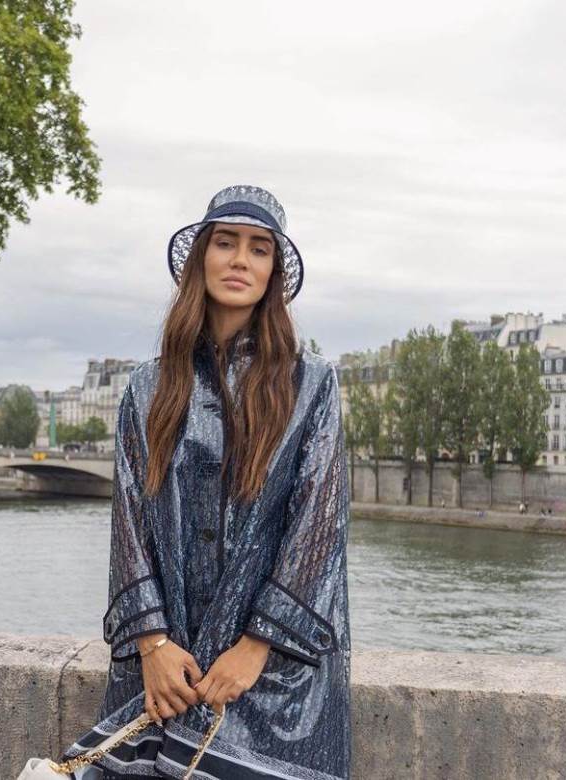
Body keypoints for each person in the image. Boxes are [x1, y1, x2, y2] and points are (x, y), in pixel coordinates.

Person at [59, 185, 352, 779]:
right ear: (201, 259)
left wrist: (257, 645)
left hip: (271, 677)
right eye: (226, 243)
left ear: (273, 273)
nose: (241, 260)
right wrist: (152, 645)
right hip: (167, 671)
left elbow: (318, 529)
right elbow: (129, 524)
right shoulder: (148, 387)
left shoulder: (313, 385)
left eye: (259, 249)